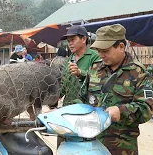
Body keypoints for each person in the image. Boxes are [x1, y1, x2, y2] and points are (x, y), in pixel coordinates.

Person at [86, 24, 153, 154]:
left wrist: (121, 111)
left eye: (105, 51)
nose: (101, 55)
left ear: (121, 47)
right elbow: (83, 97)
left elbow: (147, 109)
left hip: (123, 148)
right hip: (92, 145)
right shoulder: (95, 69)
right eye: (99, 51)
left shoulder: (139, 73)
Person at [59, 25, 100, 106]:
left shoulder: (95, 57)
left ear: (84, 39)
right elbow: (63, 86)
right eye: (68, 41)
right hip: (68, 106)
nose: (70, 44)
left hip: (87, 107)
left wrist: (80, 72)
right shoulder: (68, 60)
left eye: (73, 40)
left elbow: (100, 79)